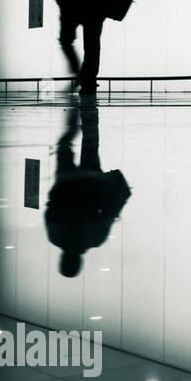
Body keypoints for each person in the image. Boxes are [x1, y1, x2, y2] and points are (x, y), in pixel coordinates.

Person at [44, 99, 131, 278]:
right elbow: (49, 210)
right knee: (64, 146)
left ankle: (87, 109)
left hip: (91, 182)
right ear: (62, 260)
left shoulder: (95, 239)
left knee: (91, 142)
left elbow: (109, 212)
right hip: (65, 180)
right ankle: (73, 116)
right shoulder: (55, 236)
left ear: (79, 262)